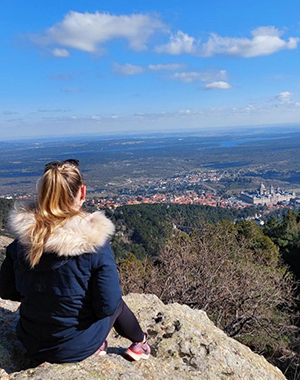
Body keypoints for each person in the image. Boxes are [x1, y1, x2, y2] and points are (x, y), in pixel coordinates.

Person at [0, 159, 150, 363]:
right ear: (82, 192)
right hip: (72, 348)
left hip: (30, 341)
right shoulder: (93, 245)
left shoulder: (22, 242)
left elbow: (6, 290)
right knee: (118, 304)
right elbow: (108, 306)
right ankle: (140, 343)